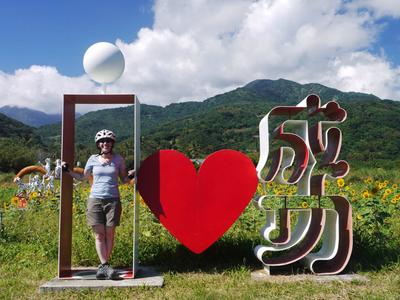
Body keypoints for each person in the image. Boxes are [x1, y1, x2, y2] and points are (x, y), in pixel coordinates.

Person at [62, 129, 134, 280]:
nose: (105, 143)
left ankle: (104, 267)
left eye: (108, 141)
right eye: (102, 141)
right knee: (99, 235)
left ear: (112, 143)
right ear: (98, 145)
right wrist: (68, 171)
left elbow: (124, 180)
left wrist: (132, 174)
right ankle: (105, 265)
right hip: (95, 199)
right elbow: (83, 177)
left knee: (110, 234)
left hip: (113, 199)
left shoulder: (119, 159)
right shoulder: (92, 159)